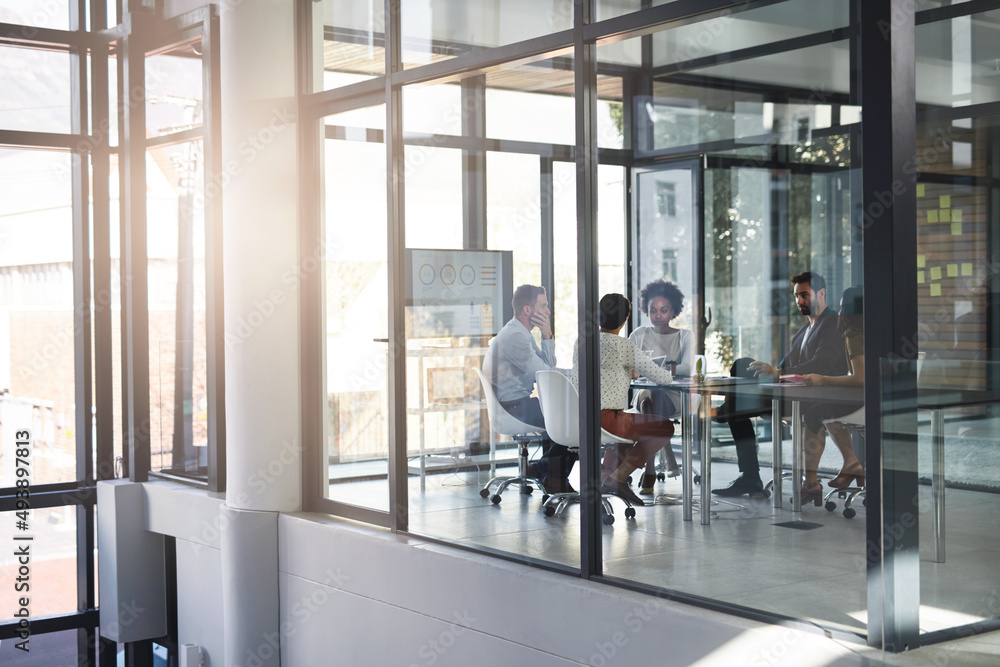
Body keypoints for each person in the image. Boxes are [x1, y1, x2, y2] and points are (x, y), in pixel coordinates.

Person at [712, 271, 849, 498]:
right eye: (796, 296)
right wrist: (769, 372)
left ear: (821, 293)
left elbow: (821, 365)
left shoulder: (833, 323)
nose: (799, 301)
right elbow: (785, 366)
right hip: (790, 393)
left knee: (736, 409)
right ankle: (730, 411)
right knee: (742, 365)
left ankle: (747, 471)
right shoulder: (804, 331)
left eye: (804, 295)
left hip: (812, 398)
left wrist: (778, 373)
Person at [574, 293, 675, 507]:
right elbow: (661, 377)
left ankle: (607, 477)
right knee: (664, 427)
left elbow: (596, 372)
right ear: (626, 318)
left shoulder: (581, 342)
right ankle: (618, 479)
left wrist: (625, 372)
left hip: (580, 417)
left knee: (629, 421)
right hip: (607, 420)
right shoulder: (623, 346)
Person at [483, 284, 577, 494]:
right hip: (512, 408)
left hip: (517, 403)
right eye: (543, 306)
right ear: (527, 310)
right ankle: (550, 475)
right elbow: (546, 373)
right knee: (574, 420)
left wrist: (547, 336)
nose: (548, 311)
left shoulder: (521, 333)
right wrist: (576, 373)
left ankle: (549, 474)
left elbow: (547, 367)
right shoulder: (515, 337)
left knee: (563, 414)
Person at [798, 286, 865, 505]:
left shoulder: (854, 334)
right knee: (826, 409)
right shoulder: (879, 330)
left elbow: (860, 378)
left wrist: (823, 379)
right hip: (886, 400)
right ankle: (852, 463)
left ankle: (810, 483)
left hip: (866, 402)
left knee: (815, 413)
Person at [628, 279, 694, 493]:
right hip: (642, 394)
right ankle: (664, 459)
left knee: (654, 400)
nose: (658, 315)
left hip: (675, 396)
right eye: (653, 311)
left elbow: (687, 368)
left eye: (663, 310)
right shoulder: (639, 334)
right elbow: (628, 366)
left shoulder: (685, 335)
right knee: (650, 397)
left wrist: (657, 368)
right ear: (646, 311)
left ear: (673, 310)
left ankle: (650, 470)